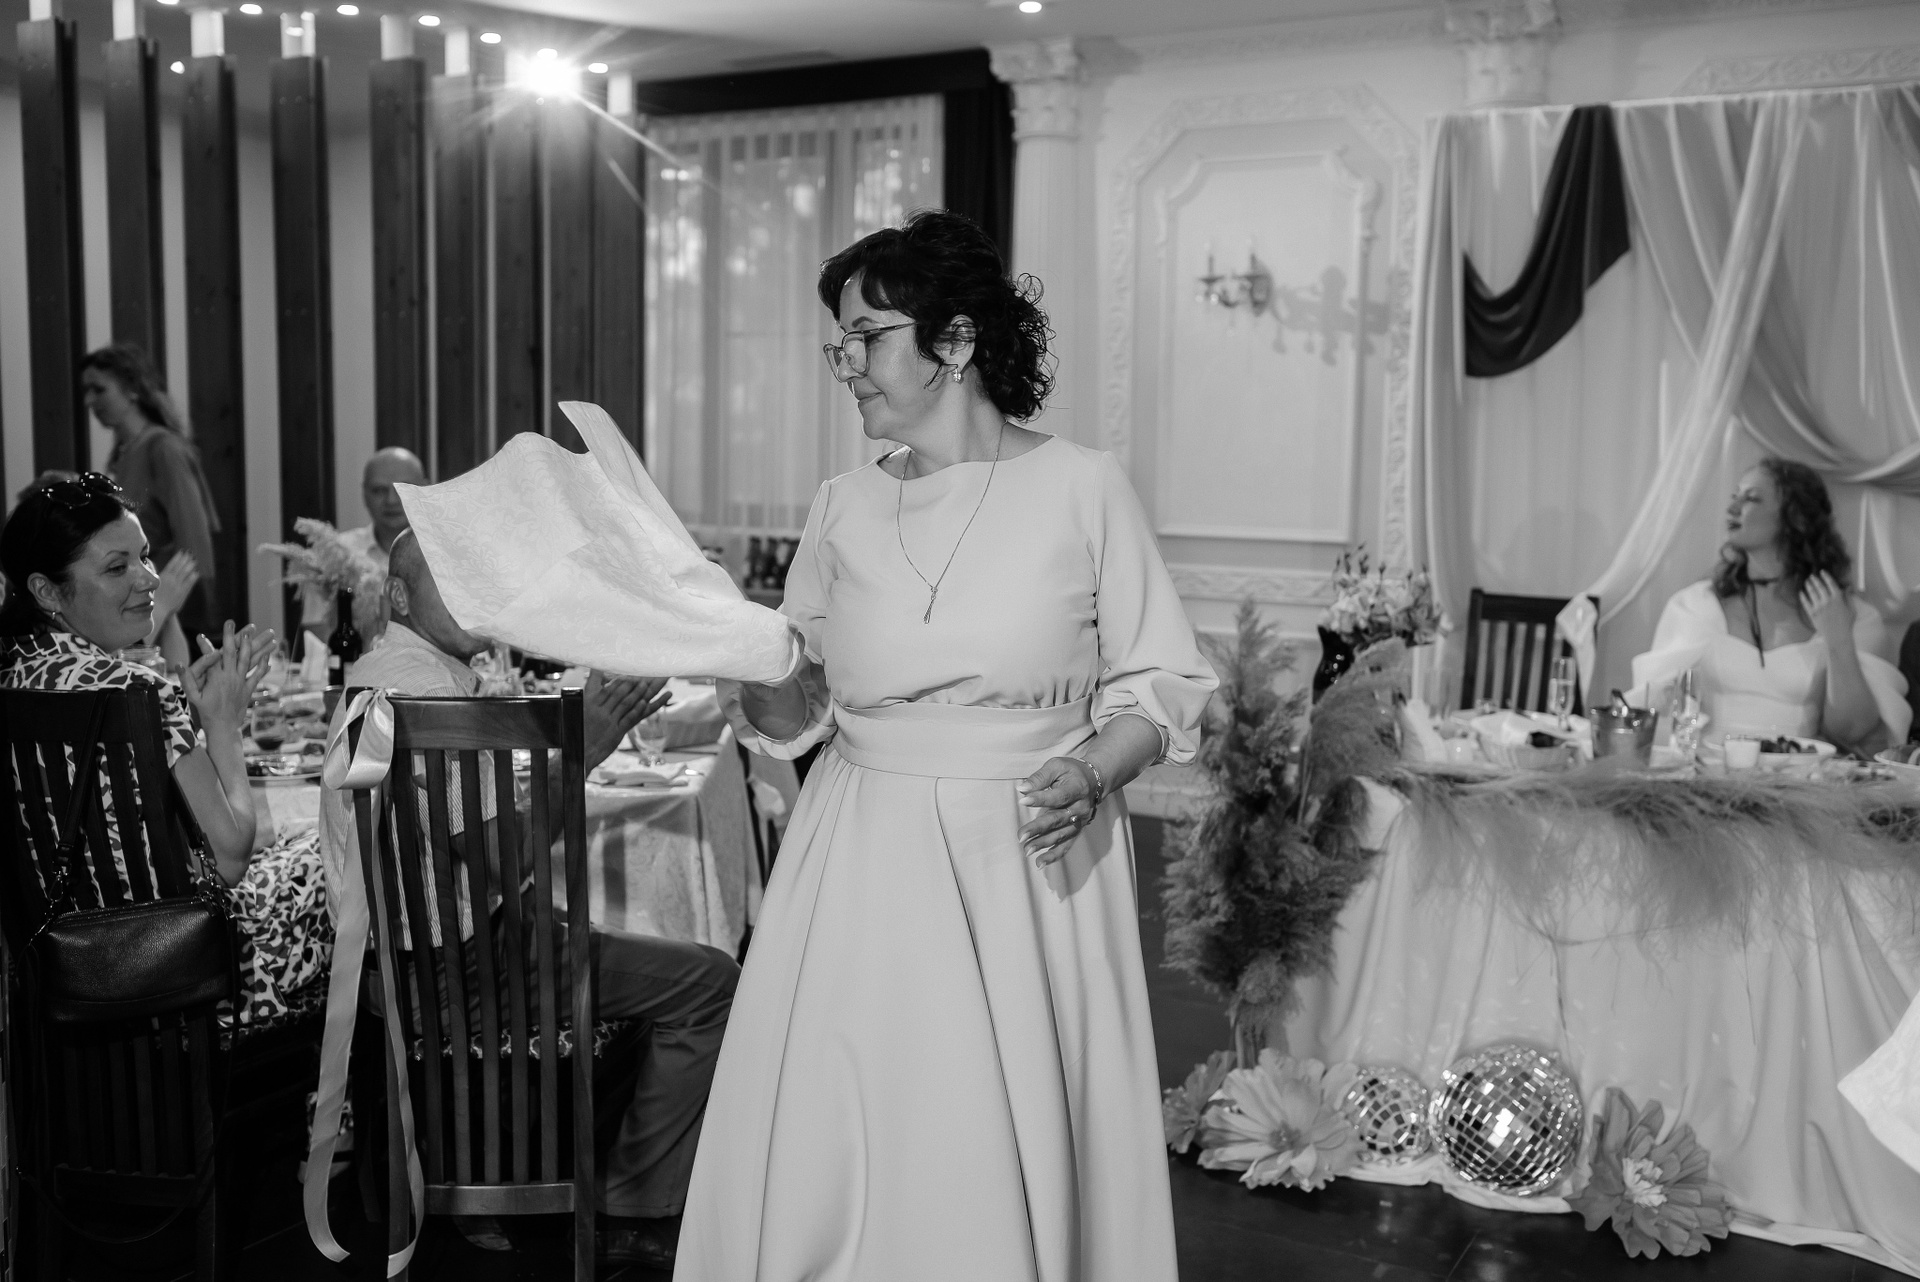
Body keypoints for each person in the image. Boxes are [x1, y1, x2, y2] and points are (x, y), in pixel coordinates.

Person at [679, 209, 1218, 1280]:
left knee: (1003, 1133)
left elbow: (1160, 684)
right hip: (858, 853)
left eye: (868, 336)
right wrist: (742, 655)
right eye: (839, 342)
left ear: (957, 341)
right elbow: (794, 718)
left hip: (1024, 851)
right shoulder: (840, 507)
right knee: (856, 1118)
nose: (846, 364)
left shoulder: (1084, 488)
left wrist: (1093, 769)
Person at [316, 531, 738, 1271]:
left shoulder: (379, 673)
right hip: (461, 968)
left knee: (602, 930)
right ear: (399, 596)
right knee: (713, 984)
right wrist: (581, 751)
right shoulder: (430, 695)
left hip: (396, 964)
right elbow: (505, 859)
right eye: (450, 575)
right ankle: (631, 1206)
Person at [0, 472, 330, 1028]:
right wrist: (223, 723)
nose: (149, 578)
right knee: (336, 852)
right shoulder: (135, 692)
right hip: (181, 978)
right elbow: (229, 858)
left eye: (145, 556)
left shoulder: (14, 675)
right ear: (46, 591)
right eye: (117, 568)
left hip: (59, 975)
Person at [1632, 457, 1910, 751]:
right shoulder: (1698, 606)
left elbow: (1851, 731)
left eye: (1751, 499)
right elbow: (1653, 709)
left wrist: (1838, 641)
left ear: (1796, 518)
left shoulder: (1850, 615)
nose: (1733, 508)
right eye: (1735, 497)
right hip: (1711, 770)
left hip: (1801, 773)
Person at [82, 344, 222, 645]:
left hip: (174, 609)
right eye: (86, 391)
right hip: (142, 600)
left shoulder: (163, 448)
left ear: (132, 389)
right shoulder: (126, 453)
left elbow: (194, 539)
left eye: (99, 389)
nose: (89, 400)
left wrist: (198, 618)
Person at [298, 446, 428, 643]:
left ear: (425, 489)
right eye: (379, 490)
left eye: (402, 488)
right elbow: (317, 639)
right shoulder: (334, 556)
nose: (391, 500)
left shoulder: (448, 552)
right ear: (364, 494)